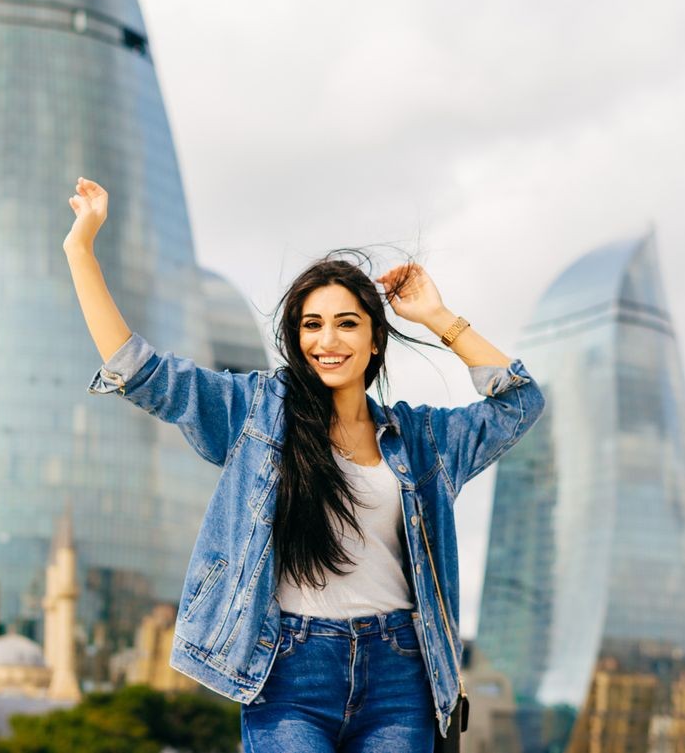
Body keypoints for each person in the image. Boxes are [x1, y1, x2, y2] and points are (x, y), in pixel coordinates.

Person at [64, 176, 544, 752]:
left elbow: (520, 403)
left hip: (400, 675)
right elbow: (140, 370)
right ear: (296, 338)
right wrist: (81, 249)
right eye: (312, 325)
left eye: (347, 323)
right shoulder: (256, 414)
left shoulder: (422, 440)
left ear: (374, 342)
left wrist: (437, 316)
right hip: (289, 669)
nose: (328, 340)